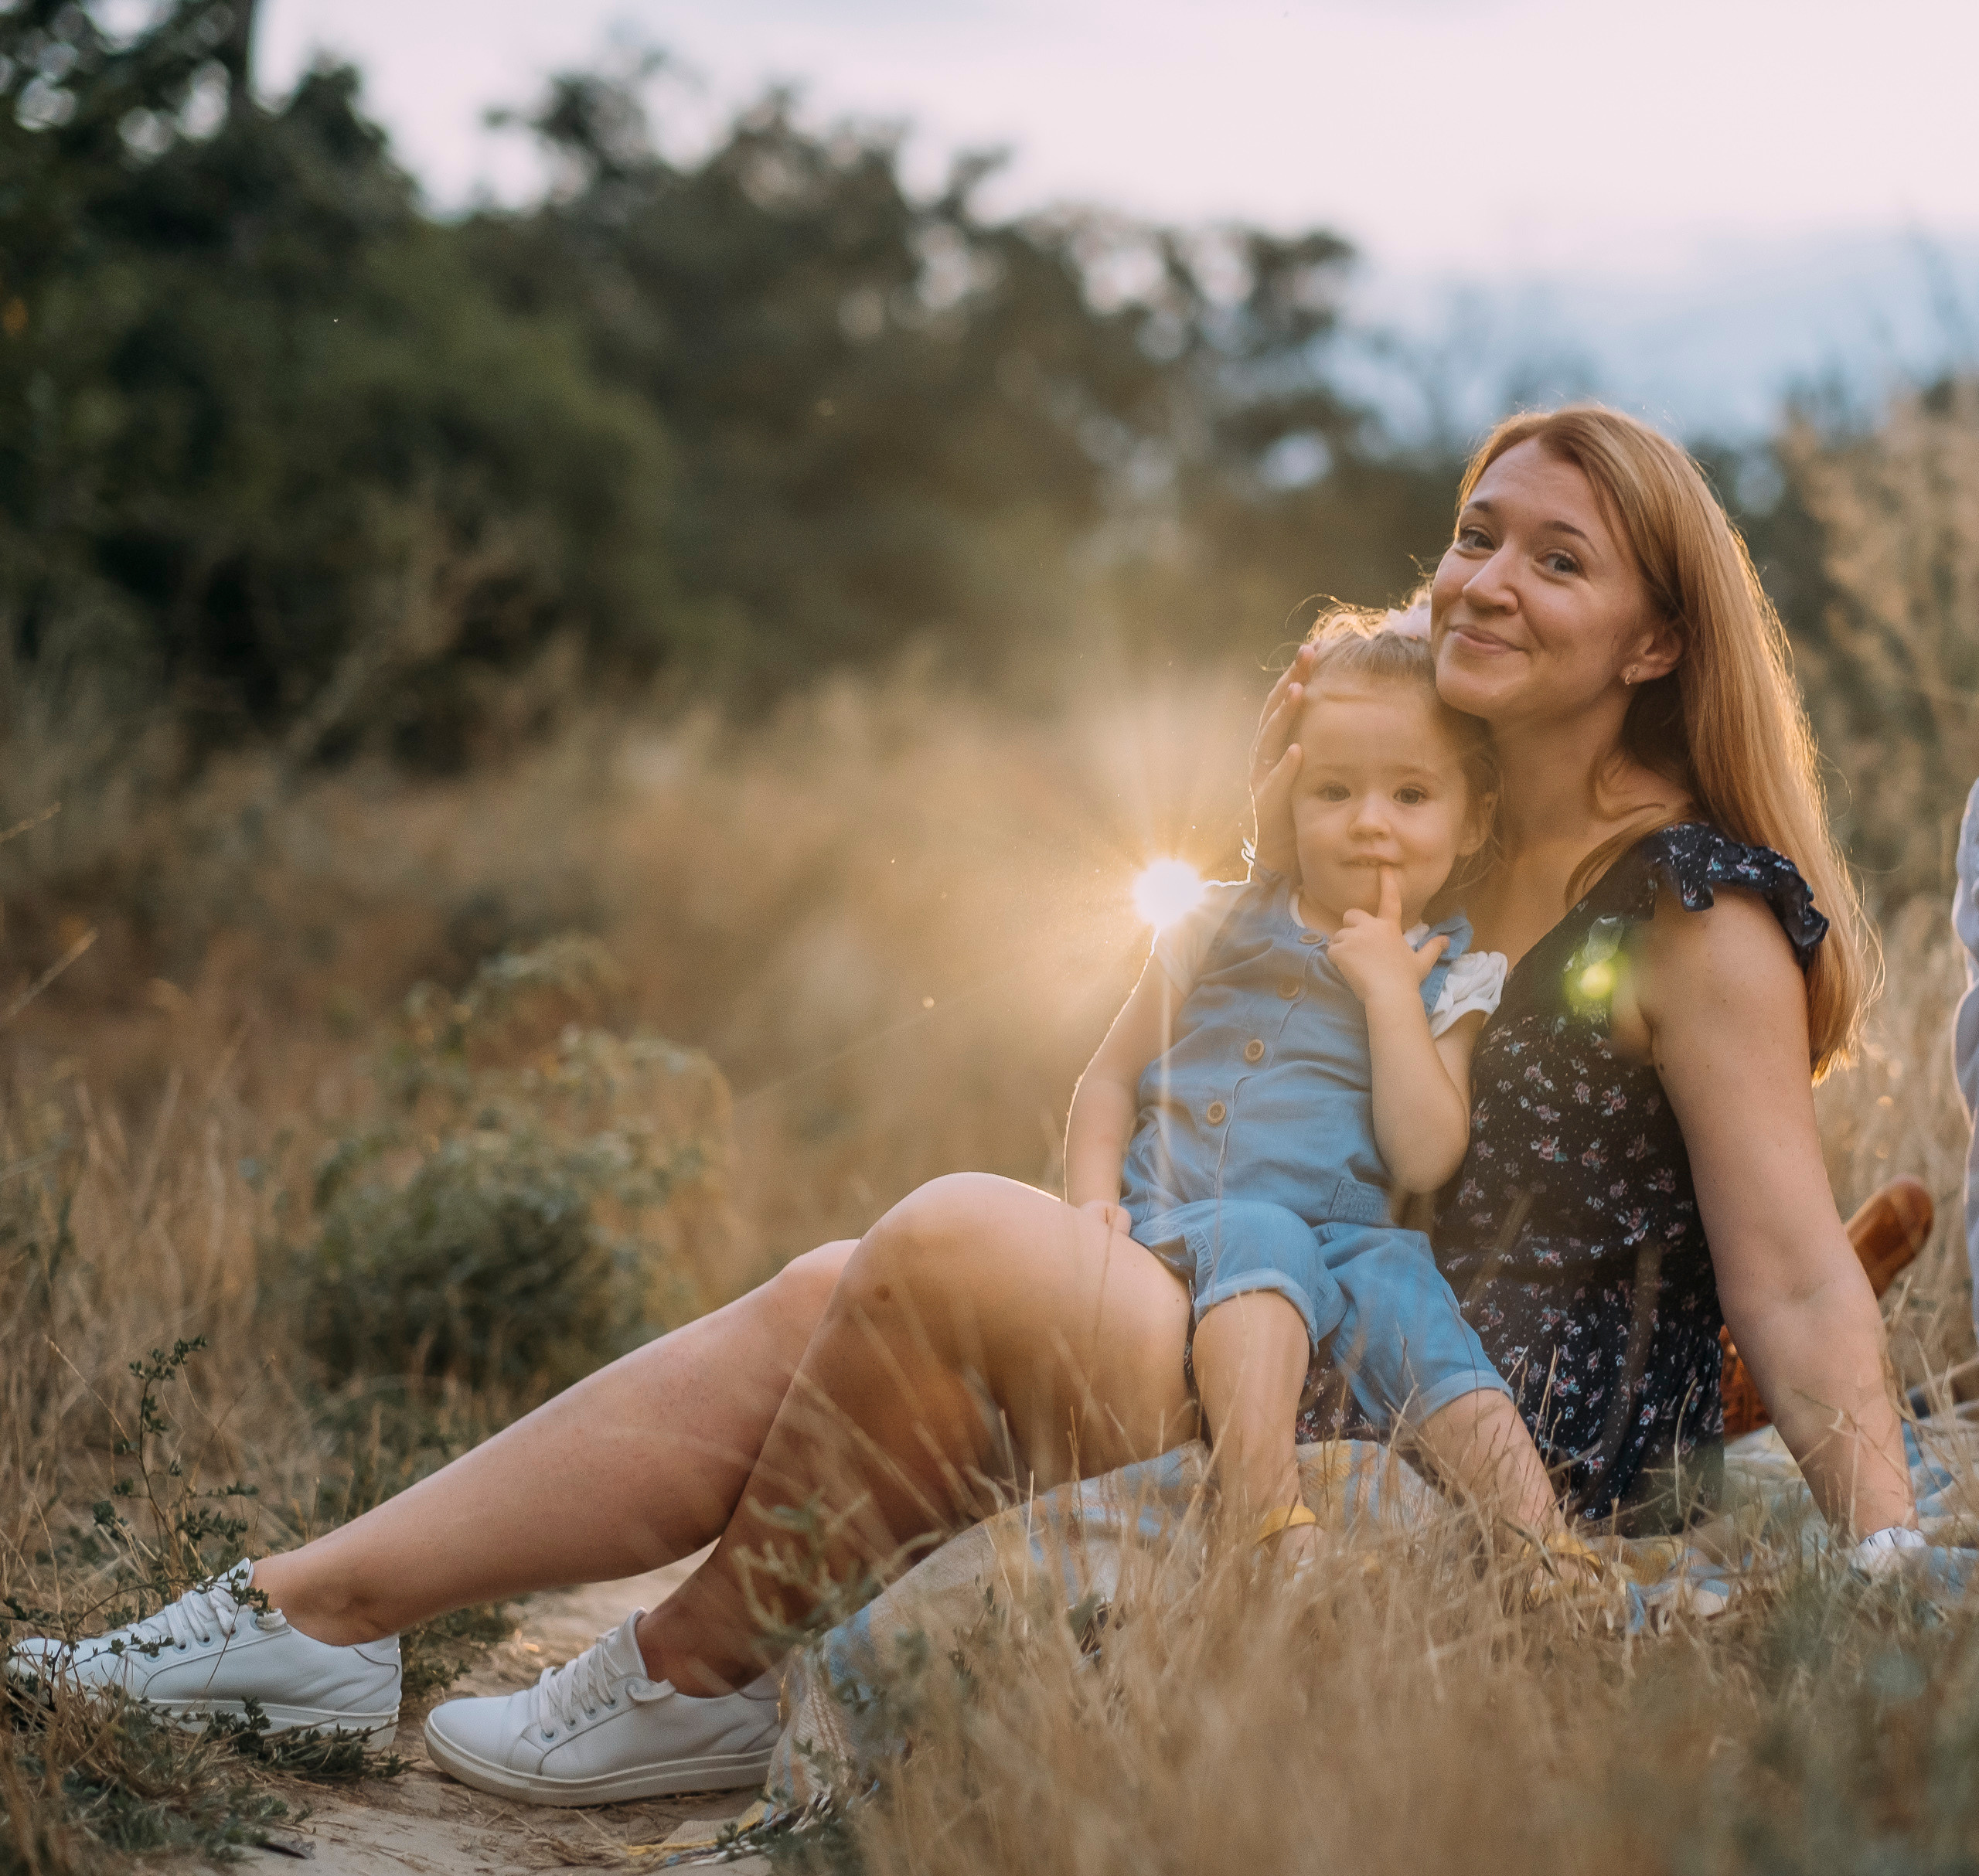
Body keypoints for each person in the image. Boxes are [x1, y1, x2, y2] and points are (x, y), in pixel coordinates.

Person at [9, 406, 1923, 1809]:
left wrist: (1877, 1567)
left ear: (1659, 641)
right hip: (1286, 1312)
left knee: (935, 1233)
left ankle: (682, 1672)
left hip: (1470, 1419)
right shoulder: (1438, 811)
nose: (1482, 577)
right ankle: (314, 1613)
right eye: (1474, 530)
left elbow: (1788, 1274)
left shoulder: (1687, 906)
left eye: (1553, 558)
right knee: (840, 1276)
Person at [1068, 615, 1559, 1573]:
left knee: (1423, 1313)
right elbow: (1109, 1076)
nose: (1368, 820)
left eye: (1410, 793)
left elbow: (1424, 1156)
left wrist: (1387, 992)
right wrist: (1090, 1204)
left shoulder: (1453, 971)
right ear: (1287, 800)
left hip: (1353, 1235)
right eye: (1332, 790)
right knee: (1263, 1235)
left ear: (1473, 818)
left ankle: (1546, 1552)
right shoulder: (1213, 920)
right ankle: (1267, 1523)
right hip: (1184, 1212)